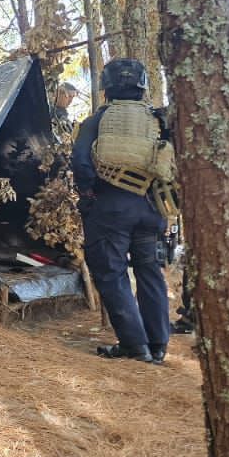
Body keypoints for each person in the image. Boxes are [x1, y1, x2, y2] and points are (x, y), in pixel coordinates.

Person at [72, 57, 173, 362]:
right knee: (150, 271)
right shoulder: (159, 120)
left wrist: (89, 192)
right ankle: (158, 344)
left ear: (106, 88)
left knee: (111, 272)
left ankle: (134, 344)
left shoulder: (97, 121)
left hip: (110, 207)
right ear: (143, 86)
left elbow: (80, 161)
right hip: (152, 206)